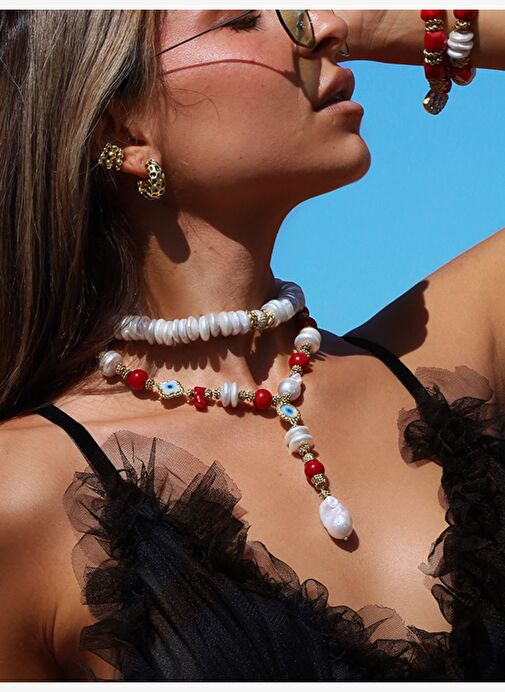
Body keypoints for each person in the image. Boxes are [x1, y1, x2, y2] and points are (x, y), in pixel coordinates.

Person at [0, 8, 505, 682]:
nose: (322, 29)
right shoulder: (24, 491)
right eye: (241, 19)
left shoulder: (439, 366)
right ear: (125, 131)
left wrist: (390, 21)